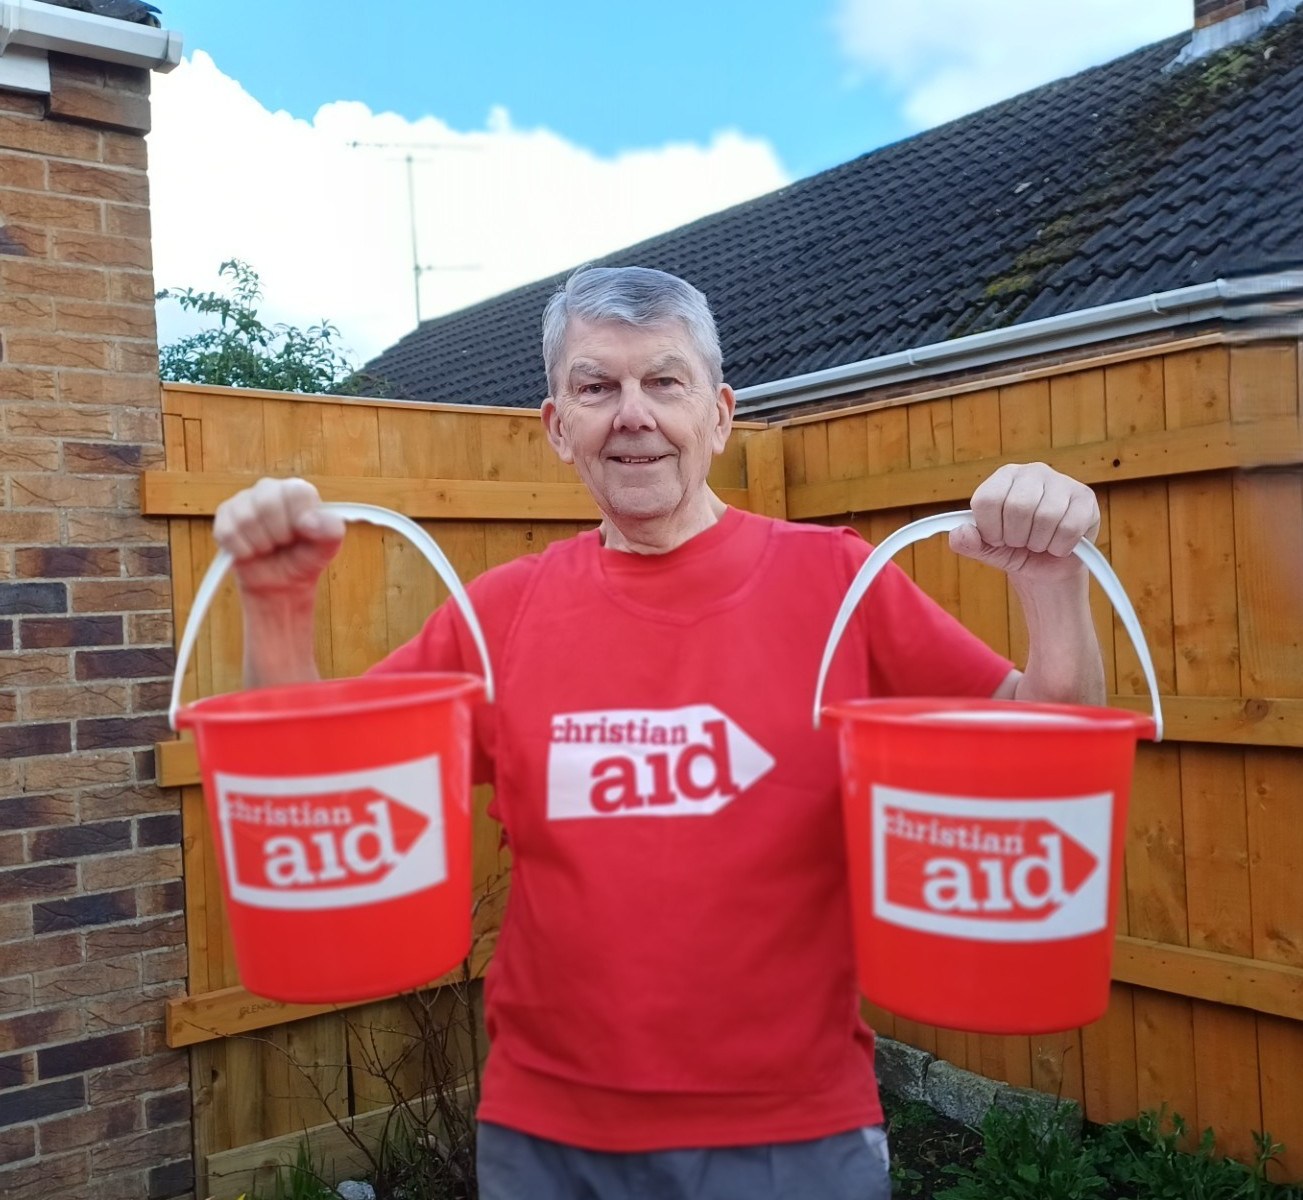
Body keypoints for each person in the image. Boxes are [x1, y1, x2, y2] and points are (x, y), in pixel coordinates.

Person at [214, 266, 1104, 1200]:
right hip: (548, 1134)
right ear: (558, 427)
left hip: (791, 1130)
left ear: (717, 416)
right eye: (597, 386)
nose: (632, 414)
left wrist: (1051, 584)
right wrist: (275, 606)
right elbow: (307, 777)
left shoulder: (839, 584)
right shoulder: (501, 613)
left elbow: (1051, 755)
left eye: (664, 382)